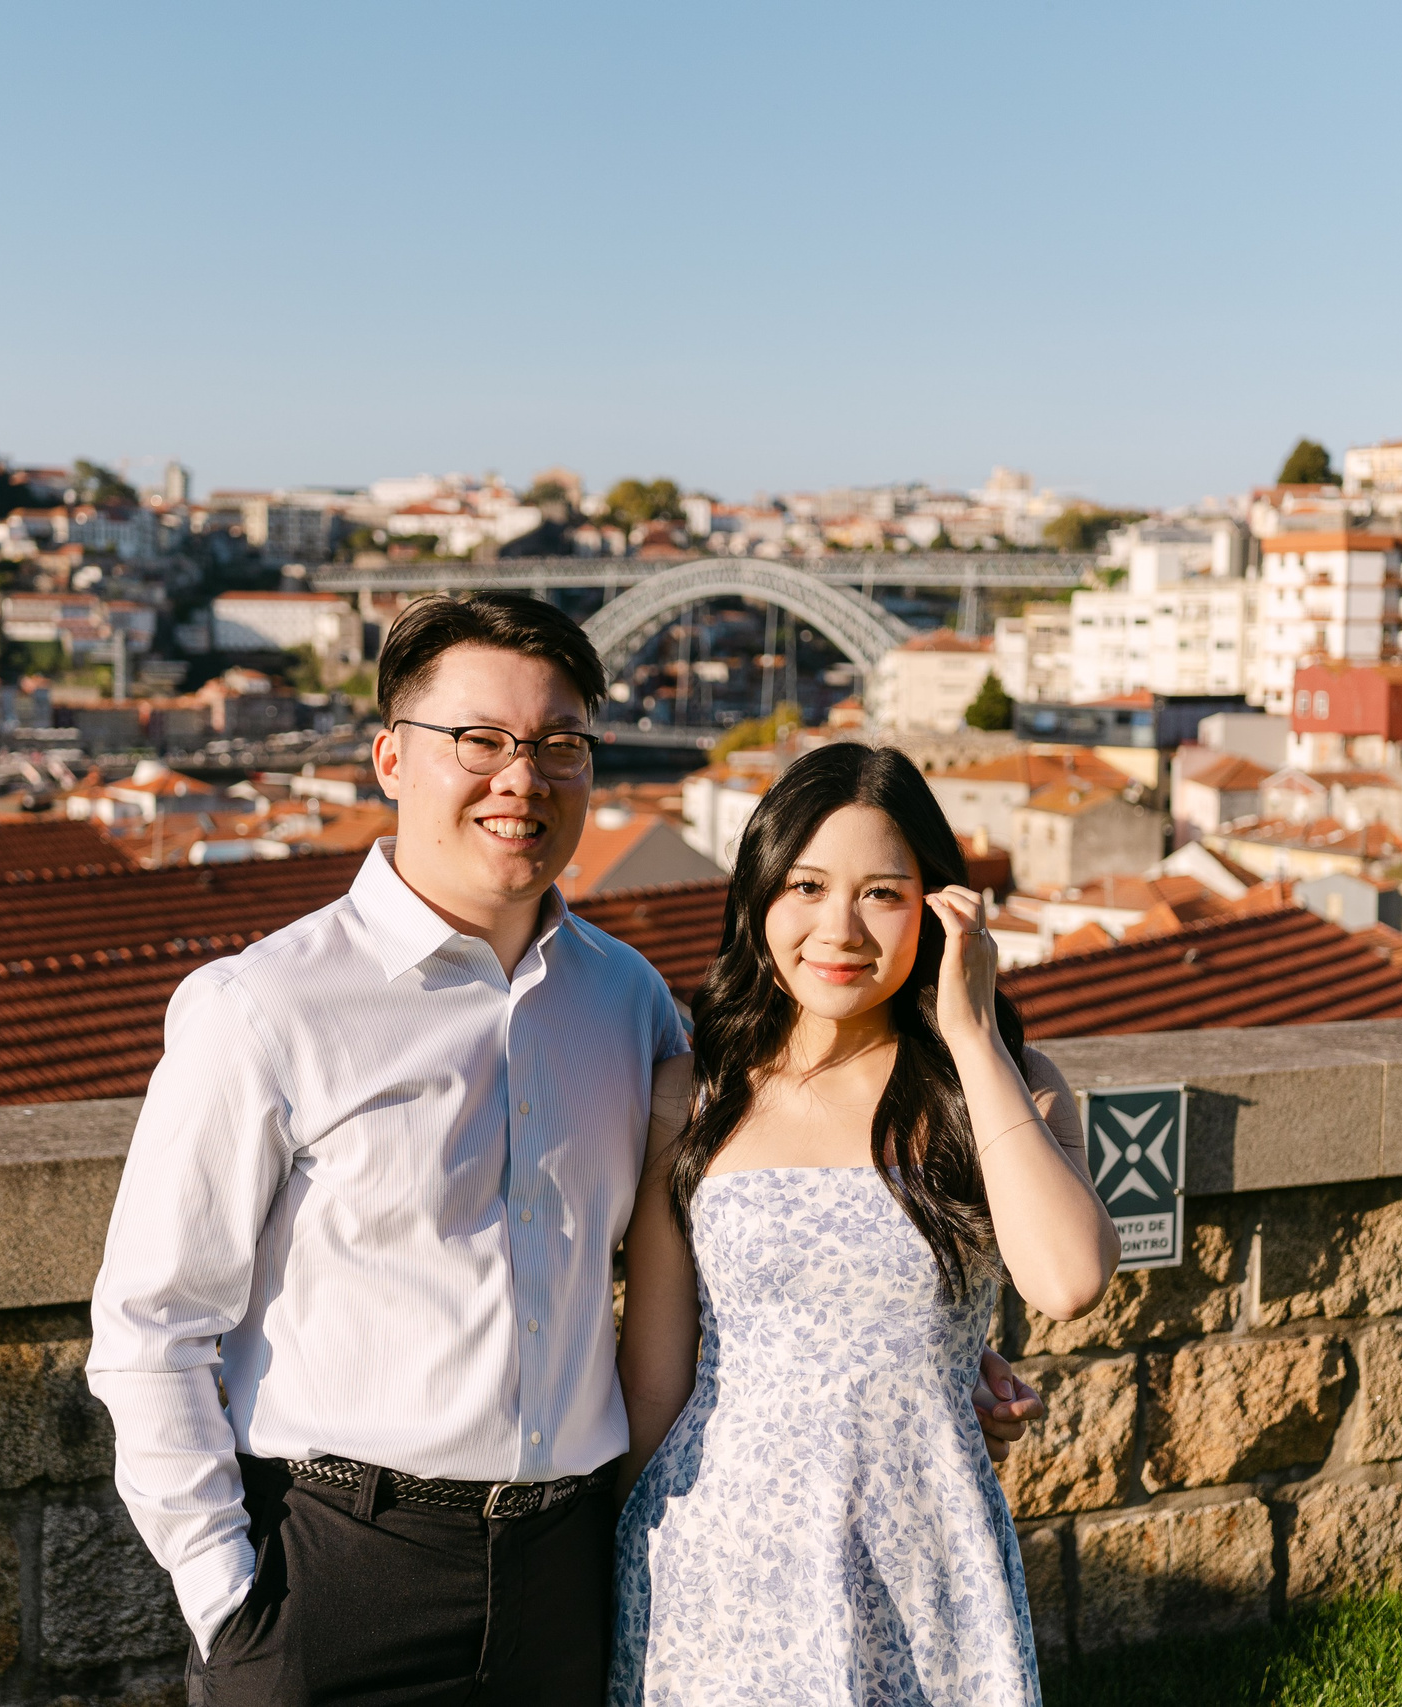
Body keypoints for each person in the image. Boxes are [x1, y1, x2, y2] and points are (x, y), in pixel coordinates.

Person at [87, 593, 1049, 1707]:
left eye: (558, 747)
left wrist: (914, 1334)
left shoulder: (627, 1002)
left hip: (566, 1568)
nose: (522, 779)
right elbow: (151, 1327)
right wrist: (227, 1601)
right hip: (340, 1571)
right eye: (480, 742)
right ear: (391, 756)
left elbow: (752, 1194)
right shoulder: (264, 1008)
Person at [611, 741, 1120, 1706]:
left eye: (882, 892)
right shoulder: (696, 1096)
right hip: (718, 1556)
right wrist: (612, 1571)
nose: (838, 927)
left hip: (926, 1550)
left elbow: (1067, 1280)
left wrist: (971, 1035)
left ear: (936, 908)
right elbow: (654, 1380)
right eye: (805, 884)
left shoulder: (1009, 1090)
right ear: (760, 895)